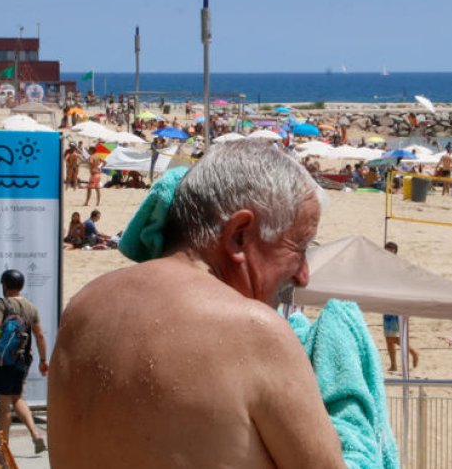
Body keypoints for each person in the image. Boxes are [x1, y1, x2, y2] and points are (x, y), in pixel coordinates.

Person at [47, 141, 347, 468]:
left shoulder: (83, 307)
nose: (304, 275)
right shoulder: (253, 333)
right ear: (239, 235)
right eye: (299, 247)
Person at [0, 269, 49, 454]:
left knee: (4, 405)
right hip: (23, 359)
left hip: (4, 360)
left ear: (4, 285)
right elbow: (40, 335)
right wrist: (44, 360)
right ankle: (36, 435)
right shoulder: (31, 307)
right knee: (17, 397)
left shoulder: (2, 304)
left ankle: (2, 447)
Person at [382, 241, 419, 373]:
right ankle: (393, 364)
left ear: (394, 252)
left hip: (397, 303)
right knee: (387, 337)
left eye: (389, 251)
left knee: (394, 336)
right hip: (387, 303)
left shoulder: (398, 266)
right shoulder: (384, 266)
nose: (387, 253)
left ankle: (413, 352)